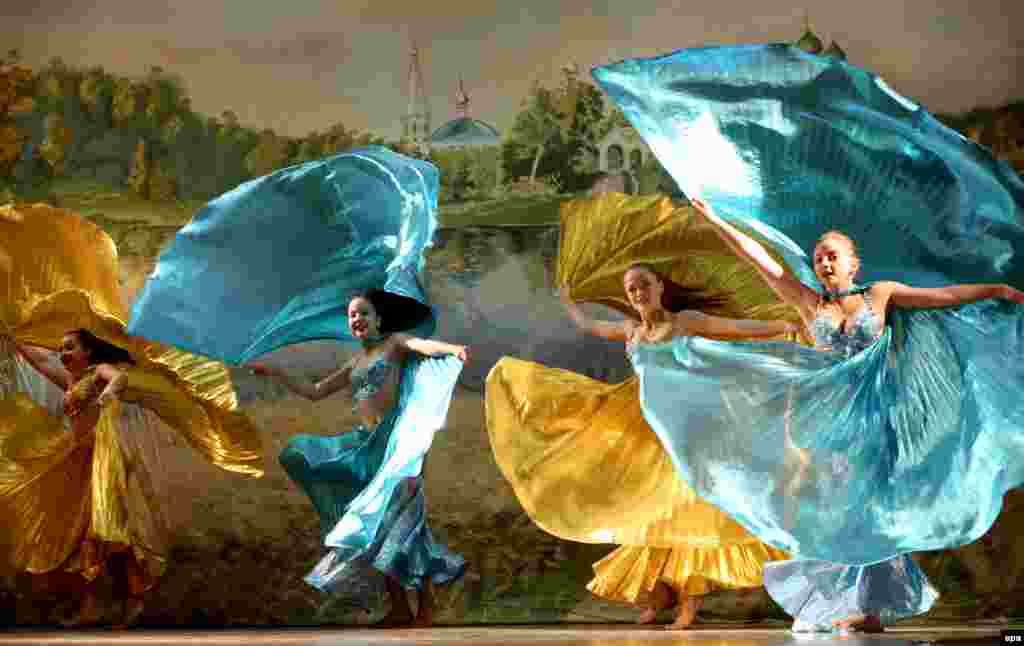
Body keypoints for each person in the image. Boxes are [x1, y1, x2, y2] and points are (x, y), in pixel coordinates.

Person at [675, 196, 1024, 631]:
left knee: (874, 507)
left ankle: (870, 606)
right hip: (827, 420)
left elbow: (943, 296)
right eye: (819, 257)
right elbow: (762, 262)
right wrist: (713, 219)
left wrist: (996, 290)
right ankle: (849, 604)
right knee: (836, 508)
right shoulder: (809, 305)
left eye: (832, 256)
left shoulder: (881, 295)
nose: (823, 263)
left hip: (876, 417)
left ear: (852, 264)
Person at [486, 193, 796, 630]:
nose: (637, 293)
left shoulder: (683, 322)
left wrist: (782, 325)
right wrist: (569, 302)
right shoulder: (632, 330)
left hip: (688, 427)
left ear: (659, 288)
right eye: (631, 289)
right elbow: (591, 325)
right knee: (648, 511)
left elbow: (737, 329)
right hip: (643, 427)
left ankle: (689, 604)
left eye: (644, 285)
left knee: (684, 509)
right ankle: (657, 595)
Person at [249, 289, 469, 628]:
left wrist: (451, 349)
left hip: (397, 447)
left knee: (407, 522)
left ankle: (426, 607)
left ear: (378, 319)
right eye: (352, 316)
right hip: (366, 448)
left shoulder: (394, 344)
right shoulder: (355, 361)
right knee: (377, 528)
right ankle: (398, 607)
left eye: (363, 313)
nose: (357, 320)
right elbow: (315, 392)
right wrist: (277, 371)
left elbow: (422, 346)